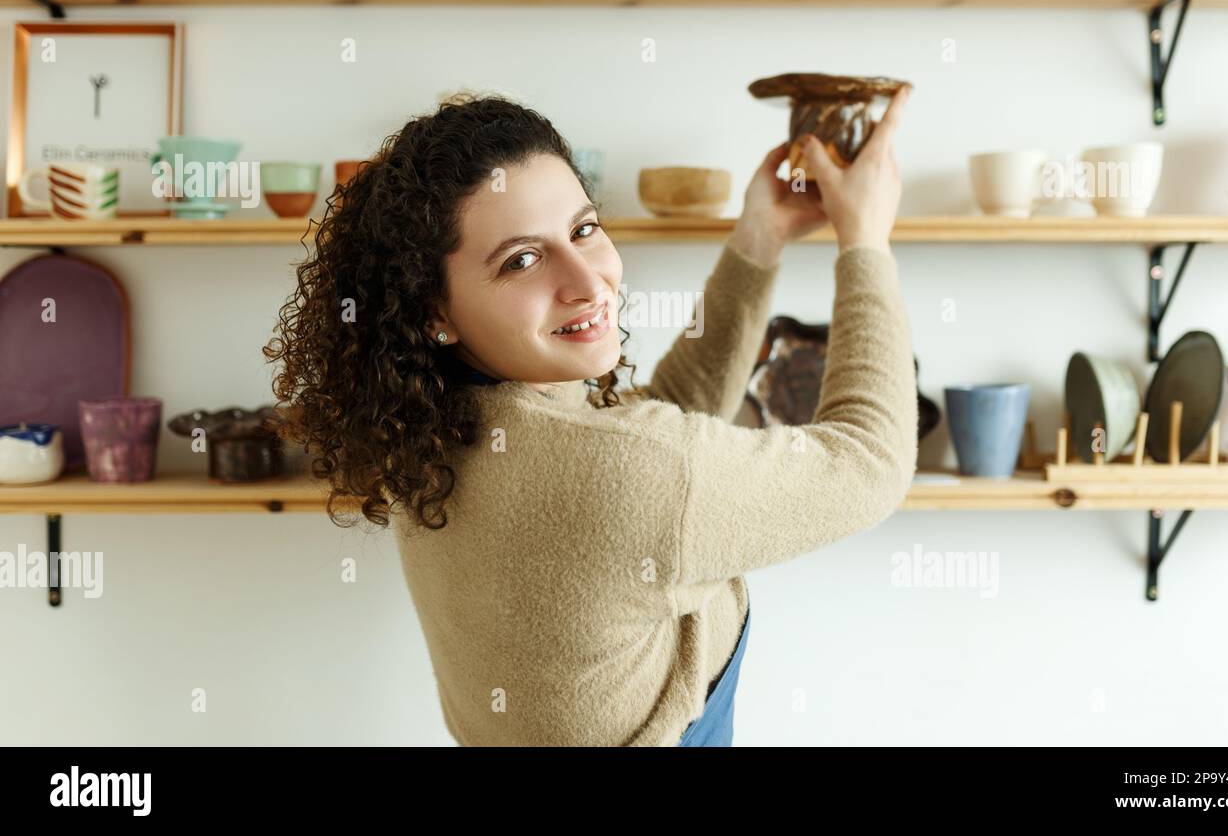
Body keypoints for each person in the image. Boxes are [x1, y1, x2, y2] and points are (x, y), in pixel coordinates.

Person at [264, 88, 918, 746]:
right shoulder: (619, 475)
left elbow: (655, 437)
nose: (587, 281)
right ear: (433, 309)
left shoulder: (427, 431)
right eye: (521, 259)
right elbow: (871, 461)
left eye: (583, 230)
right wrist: (864, 239)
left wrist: (760, 237)